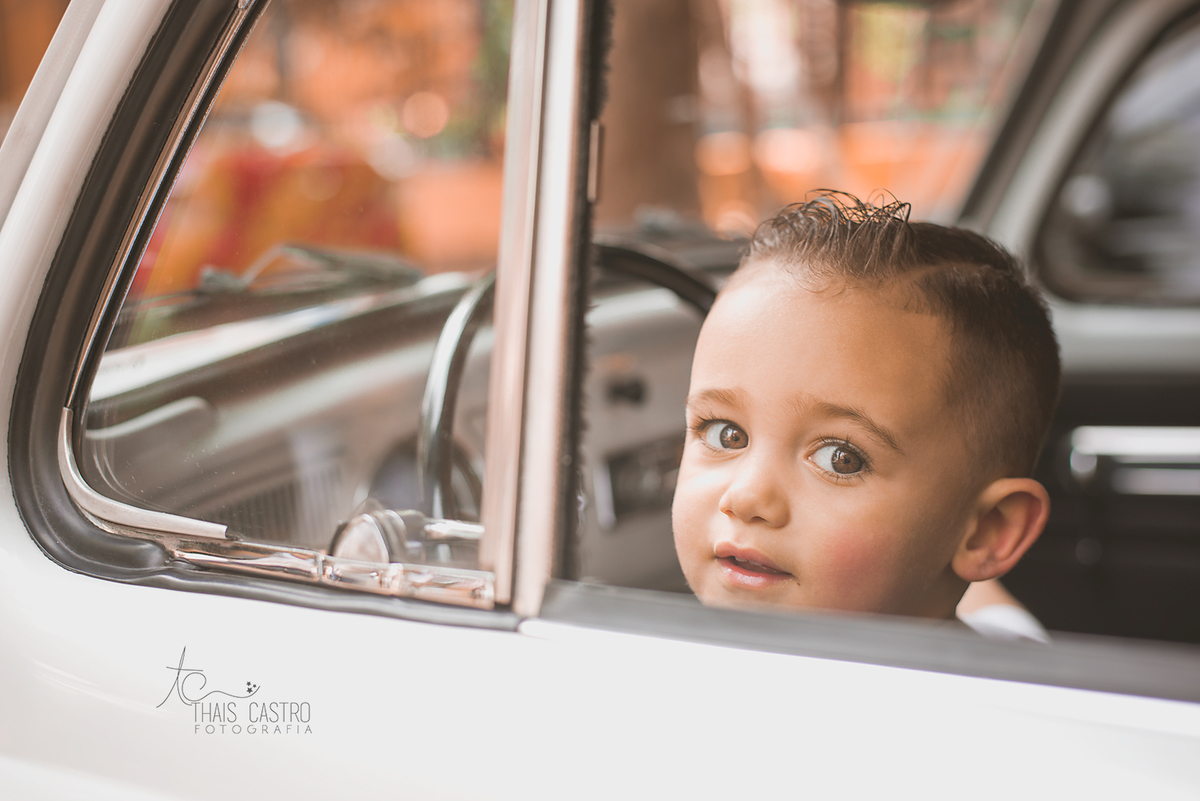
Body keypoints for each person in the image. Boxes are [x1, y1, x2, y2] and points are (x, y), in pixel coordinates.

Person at [672, 192, 1060, 630]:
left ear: (988, 531)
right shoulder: (1015, 643)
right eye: (726, 434)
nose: (744, 499)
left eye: (840, 458)